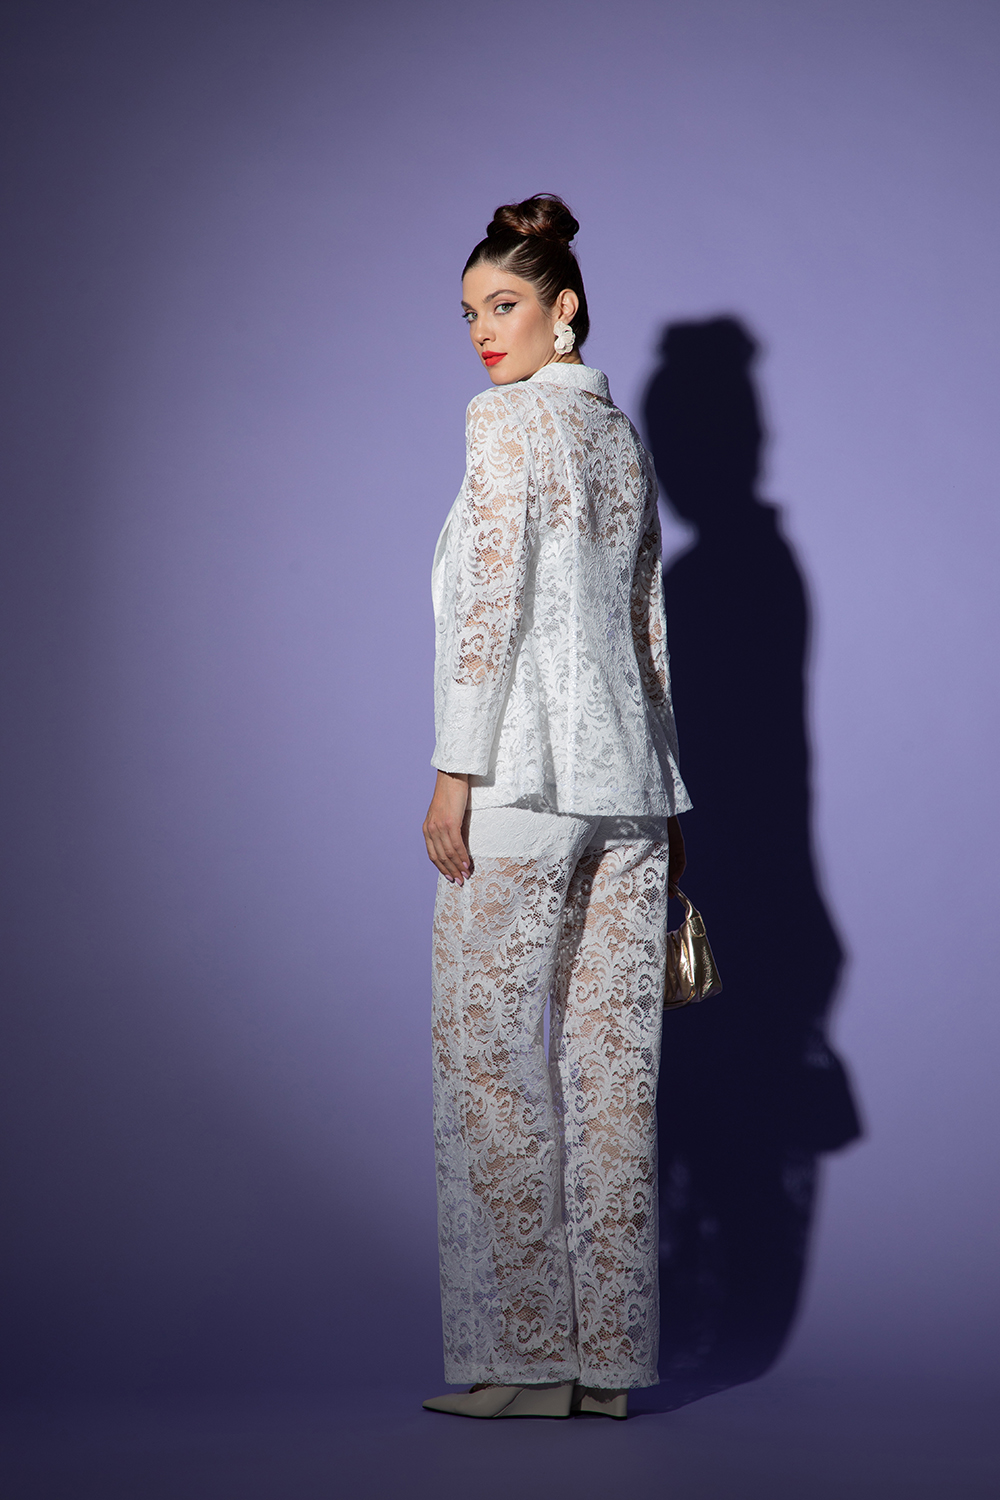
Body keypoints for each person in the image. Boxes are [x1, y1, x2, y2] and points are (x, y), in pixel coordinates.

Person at [421, 196, 691, 1421]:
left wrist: (453, 772)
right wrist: (668, 801)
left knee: (491, 1066)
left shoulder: (505, 420)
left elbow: (491, 609)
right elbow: (648, 631)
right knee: (611, 1079)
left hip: (523, 784)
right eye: (470, 315)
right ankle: (609, 1368)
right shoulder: (620, 440)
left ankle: (526, 1362)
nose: (484, 333)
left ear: (562, 307)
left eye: (504, 305)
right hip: (631, 793)